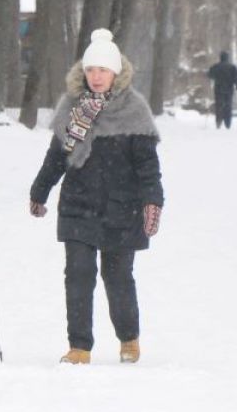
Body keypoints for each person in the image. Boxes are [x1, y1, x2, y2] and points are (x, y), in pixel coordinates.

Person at [29, 28, 164, 365]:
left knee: (117, 277)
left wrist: (152, 200)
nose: (97, 76)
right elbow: (56, 157)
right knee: (78, 273)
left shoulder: (134, 110)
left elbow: (148, 165)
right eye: (91, 70)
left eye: (103, 70)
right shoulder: (72, 109)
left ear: (116, 72)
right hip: (78, 206)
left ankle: (129, 338)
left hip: (123, 208)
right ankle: (79, 346)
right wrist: (40, 190)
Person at [207, 51, 237, 129]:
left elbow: (209, 75)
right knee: (228, 105)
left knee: (219, 105)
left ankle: (218, 121)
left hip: (218, 89)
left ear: (220, 58)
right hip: (229, 89)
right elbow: (236, 78)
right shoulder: (232, 67)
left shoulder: (216, 66)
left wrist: (215, 77)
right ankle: (228, 123)